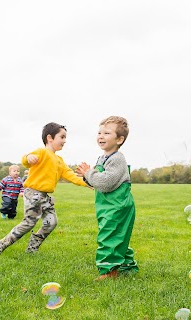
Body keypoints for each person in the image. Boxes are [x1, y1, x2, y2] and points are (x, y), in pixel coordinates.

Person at [0, 122, 89, 255]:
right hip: (33, 194)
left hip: (45, 196)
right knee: (29, 223)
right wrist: (28, 158)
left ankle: (32, 248)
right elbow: (25, 160)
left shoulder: (59, 160)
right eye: (62, 137)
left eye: (65, 138)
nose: (65, 141)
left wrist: (88, 182)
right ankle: (1, 245)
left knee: (51, 222)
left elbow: (71, 176)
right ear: (50, 138)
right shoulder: (42, 152)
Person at [76, 116, 138, 281]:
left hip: (117, 205)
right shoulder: (102, 157)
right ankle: (127, 267)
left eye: (107, 133)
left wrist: (89, 173)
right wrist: (86, 176)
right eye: (99, 132)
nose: (101, 136)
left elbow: (105, 182)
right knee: (118, 236)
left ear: (119, 139)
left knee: (109, 236)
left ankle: (109, 271)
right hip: (108, 205)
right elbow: (96, 181)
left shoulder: (117, 158)